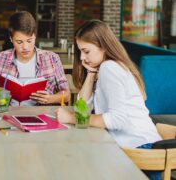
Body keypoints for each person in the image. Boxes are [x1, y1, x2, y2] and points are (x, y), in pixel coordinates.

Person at [56, 19, 161, 148]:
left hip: (141, 148)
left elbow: (117, 120)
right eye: (81, 52)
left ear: (104, 47)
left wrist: (72, 119)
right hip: (139, 145)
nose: (82, 57)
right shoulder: (105, 68)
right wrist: (91, 73)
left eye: (86, 51)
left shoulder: (109, 68)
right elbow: (81, 110)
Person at [0, 11, 70, 105]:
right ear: (11, 39)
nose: (25, 47)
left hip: (41, 114)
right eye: (19, 42)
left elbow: (67, 94)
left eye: (29, 41)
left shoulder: (52, 59)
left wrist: (51, 98)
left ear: (35, 36)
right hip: (7, 114)